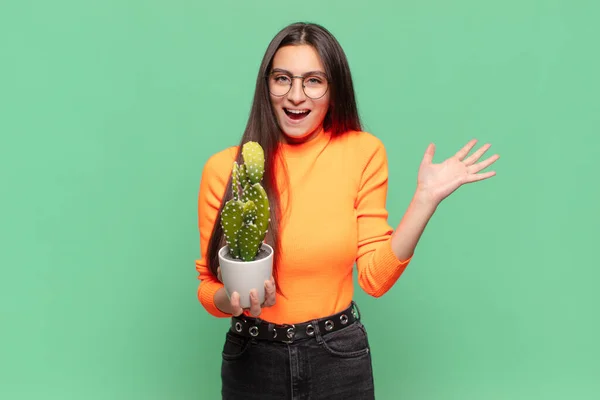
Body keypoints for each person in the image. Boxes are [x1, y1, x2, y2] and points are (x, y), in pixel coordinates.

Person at [195, 22, 499, 399]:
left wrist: (425, 199)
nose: (295, 95)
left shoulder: (362, 153)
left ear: (333, 89)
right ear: (266, 85)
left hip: (336, 356)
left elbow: (374, 278)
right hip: (252, 357)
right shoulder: (227, 169)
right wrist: (235, 299)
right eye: (282, 78)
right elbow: (210, 288)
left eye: (313, 81)